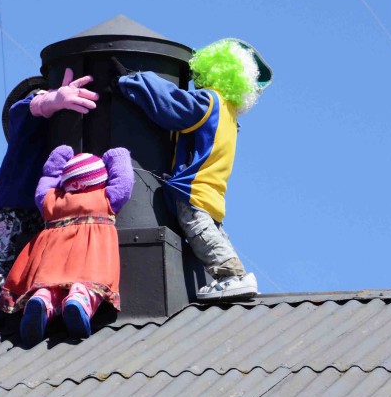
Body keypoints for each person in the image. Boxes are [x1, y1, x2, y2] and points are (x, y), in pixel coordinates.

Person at [113, 38, 272, 302]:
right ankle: (230, 276)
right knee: (211, 231)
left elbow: (172, 105)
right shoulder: (230, 115)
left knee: (197, 228)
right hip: (213, 190)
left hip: (194, 186)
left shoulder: (209, 102)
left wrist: (136, 79)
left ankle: (232, 277)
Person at [0, 69, 99, 322]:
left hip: (43, 208)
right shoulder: (25, 117)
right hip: (15, 205)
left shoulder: (55, 133)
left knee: (32, 258)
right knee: (5, 253)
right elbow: (26, 108)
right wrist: (51, 100)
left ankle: (21, 302)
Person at [0, 145, 133, 346]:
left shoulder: (53, 201)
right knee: (86, 287)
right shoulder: (105, 199)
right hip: (91, 255)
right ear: (99, 181)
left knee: (48, 286)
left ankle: (42, 302)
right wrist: (117, 157)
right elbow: (124, 183)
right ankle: (77, 302)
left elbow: (46, 182)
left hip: (52, 254)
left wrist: (59, 157)